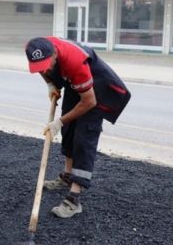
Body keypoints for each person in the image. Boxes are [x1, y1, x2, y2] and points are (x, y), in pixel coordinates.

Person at [25, 37, 131, 218]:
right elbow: (41, 68)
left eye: (45, 64)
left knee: (84, 138)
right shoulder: (35, 47)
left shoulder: (75, 62)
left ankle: (74, 198)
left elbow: (89, 102)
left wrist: (59, 121)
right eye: (38, 66)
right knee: (69, 132)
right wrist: (50, 83)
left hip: (96, 90)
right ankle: (67, 176)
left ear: (55, 54)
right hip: (75, 85)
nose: (43, 69)